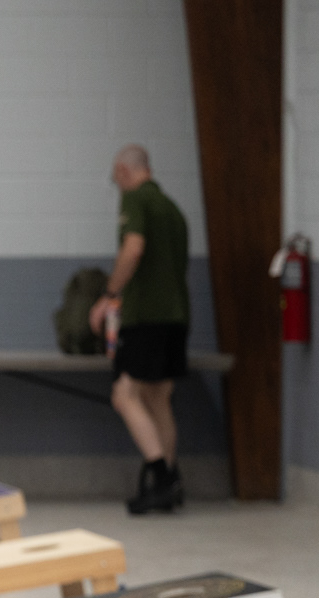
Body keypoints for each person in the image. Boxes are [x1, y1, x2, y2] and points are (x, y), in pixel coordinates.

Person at [88, 143, 190, 515]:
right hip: (176, 317)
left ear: (124, 171)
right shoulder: (172, 209)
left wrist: (109, 296)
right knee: (157, 397)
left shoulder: (136, 200)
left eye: (116, 178)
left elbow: (133, 249)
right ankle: (172, 479)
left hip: (145, 317)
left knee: (124, 394)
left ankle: (159, 475)